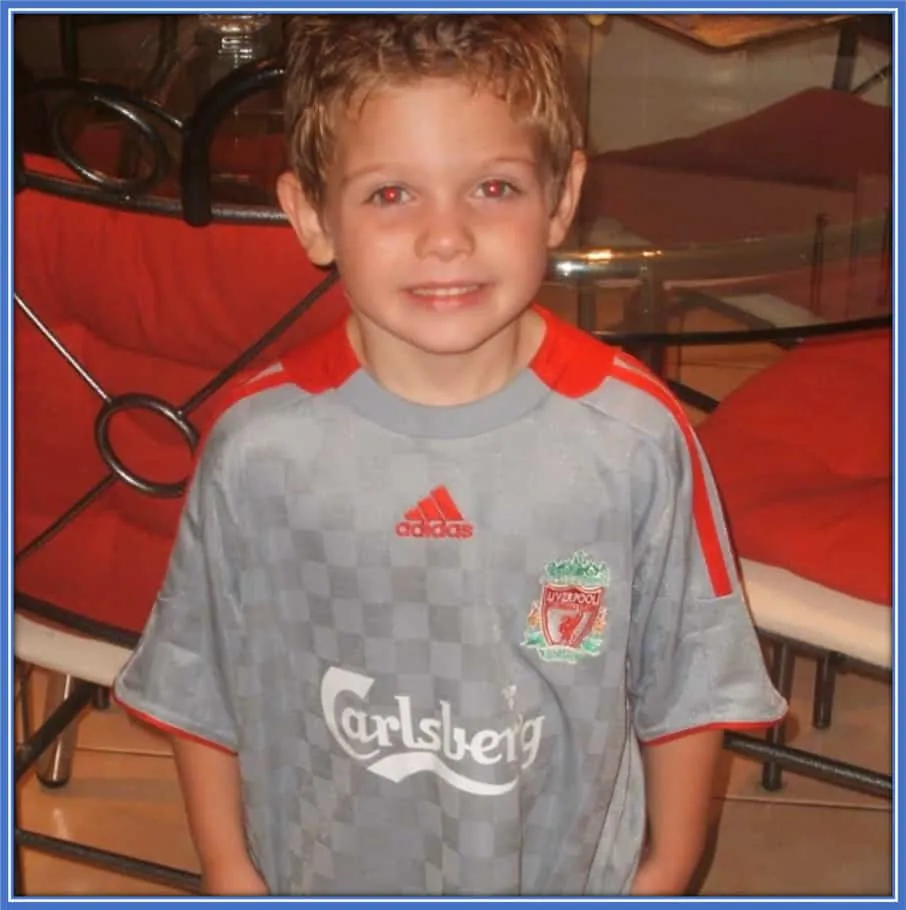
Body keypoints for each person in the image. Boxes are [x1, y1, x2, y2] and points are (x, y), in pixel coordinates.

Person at [113, 14, 786, 896]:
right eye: (392, 193)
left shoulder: (635, 437)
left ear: (561, 197)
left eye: (494, 188)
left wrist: (665, 869)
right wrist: (232, 871)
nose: (446, 237)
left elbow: (691, 674)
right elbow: (201, 678)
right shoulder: (257, 448)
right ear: (311, 216)